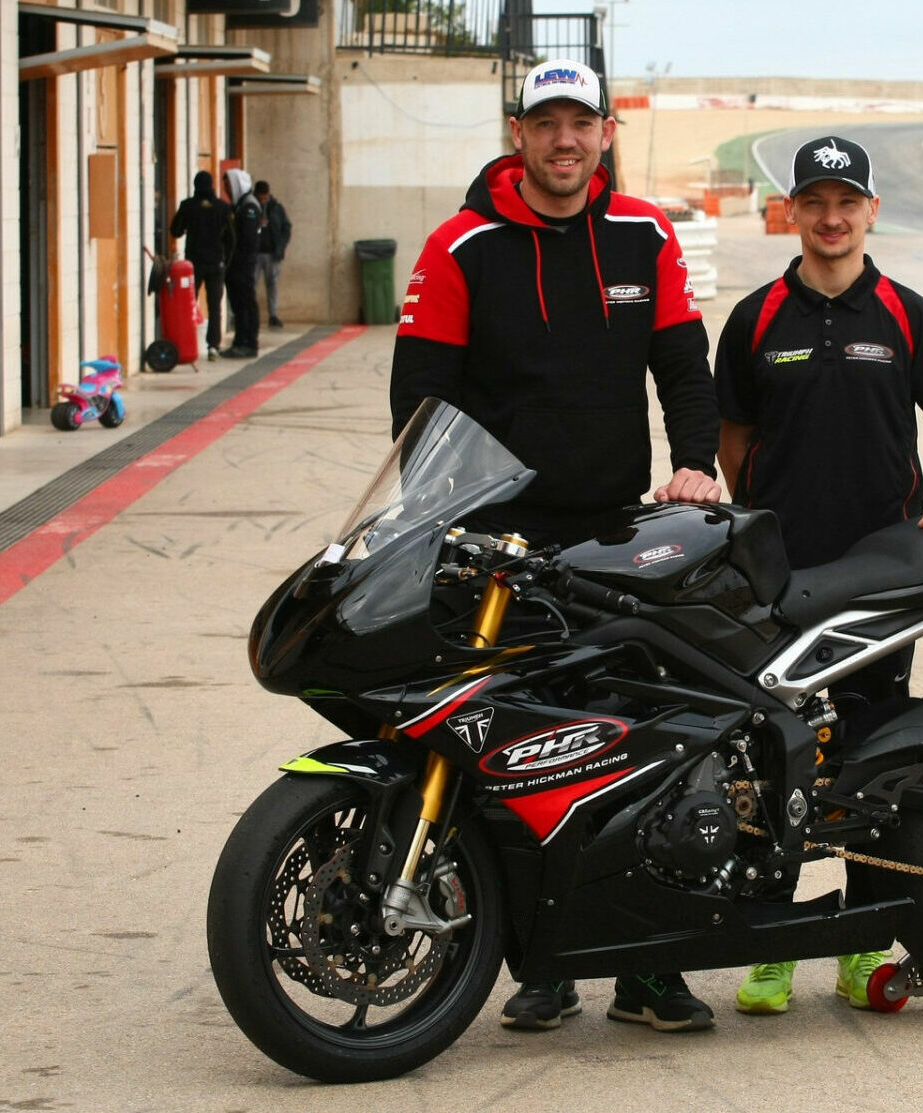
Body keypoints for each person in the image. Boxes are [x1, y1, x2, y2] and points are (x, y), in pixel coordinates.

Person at [390, 58, 722, 1033]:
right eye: (547, 123)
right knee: (512, 759)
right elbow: (419, 396)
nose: (565, 140)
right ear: (518, 132)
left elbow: (682, 364)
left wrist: (696, 461)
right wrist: (436, 514)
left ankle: (649, 969)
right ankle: (542, 966)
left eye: (582, 122)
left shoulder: (643, 234)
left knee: (641, 750)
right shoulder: (462, 245)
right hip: (498, 552)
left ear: (605, 132)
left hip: (614, 538)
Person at [713, 134, 923, 1016]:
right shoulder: (756, 320)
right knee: (770, 761)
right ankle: (770, 948)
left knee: (874, 761)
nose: (831, 218)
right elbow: (732, 451)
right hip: (784, 581)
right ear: (791, 213)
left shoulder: (907, 316)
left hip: (882, 579)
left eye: (847, 202)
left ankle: (865, 941)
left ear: (871, 211)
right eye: (815, 202)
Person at [168, 170, 234, 360]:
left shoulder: (188, 206)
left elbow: (176, 230)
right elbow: (231, 238)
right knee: (215, 307)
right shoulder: (223, 208)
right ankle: (213, 345)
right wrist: (225, 261)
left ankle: (188, 344)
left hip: (193, 265)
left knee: (189, 304)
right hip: (216, 263)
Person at [221, 168, 264, 358]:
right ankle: (240, 340)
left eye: (229, 186)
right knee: (238, 304)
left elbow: (246, 239)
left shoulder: (249, 207)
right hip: (237, 264)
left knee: (246, 303)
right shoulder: (239, 205)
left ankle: (249, 342)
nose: (228, 190)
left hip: (244, 264)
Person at [253, 180, 291, 328]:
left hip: (272, 253)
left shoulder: (276, 208)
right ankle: (252, 315)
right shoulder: (252, 207)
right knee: (252, 284)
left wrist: (281, 245)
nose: (263, 200)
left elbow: (286, 227)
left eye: (265, 197)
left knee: (272, 284)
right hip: (255, 253)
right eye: (261, 197)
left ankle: (273, 315)